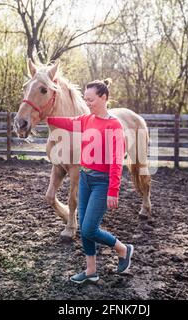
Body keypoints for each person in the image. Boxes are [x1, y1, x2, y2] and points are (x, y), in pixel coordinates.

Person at [46, 79, 134, 284]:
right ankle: (91, 271)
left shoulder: (114, 125)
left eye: (91, 99)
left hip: (102, 183)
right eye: (85, 99)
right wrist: (47, 116)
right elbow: (68, 122)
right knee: (86, 228)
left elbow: (116, 161)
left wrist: (113, 190)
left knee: (88, 229)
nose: (88, 103)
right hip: (85, 179)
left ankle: (122, 248)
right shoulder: (87, 119)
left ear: (104, 98)